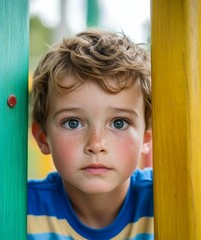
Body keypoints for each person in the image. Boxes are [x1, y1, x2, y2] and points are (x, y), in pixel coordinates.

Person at [28, 29, 153, 239]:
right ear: (43, 137)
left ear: (145, 139)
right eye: (73, 123)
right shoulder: (22, 210)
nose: (96, 144)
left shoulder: (166, 202)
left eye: (119, 123)